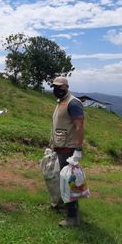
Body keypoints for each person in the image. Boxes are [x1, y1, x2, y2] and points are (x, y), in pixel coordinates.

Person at [50, 76, 84, 227]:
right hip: (60, 146)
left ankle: (72, 217)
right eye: (54, 86)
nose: (56, 89)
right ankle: (68, 207)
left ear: (66, 87)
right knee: (64, 180)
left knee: (70, 181)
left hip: (69, 148)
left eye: (59, 87)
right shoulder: (61, 102)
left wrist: (78, 149)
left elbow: (79, 127)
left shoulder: (73, 103)